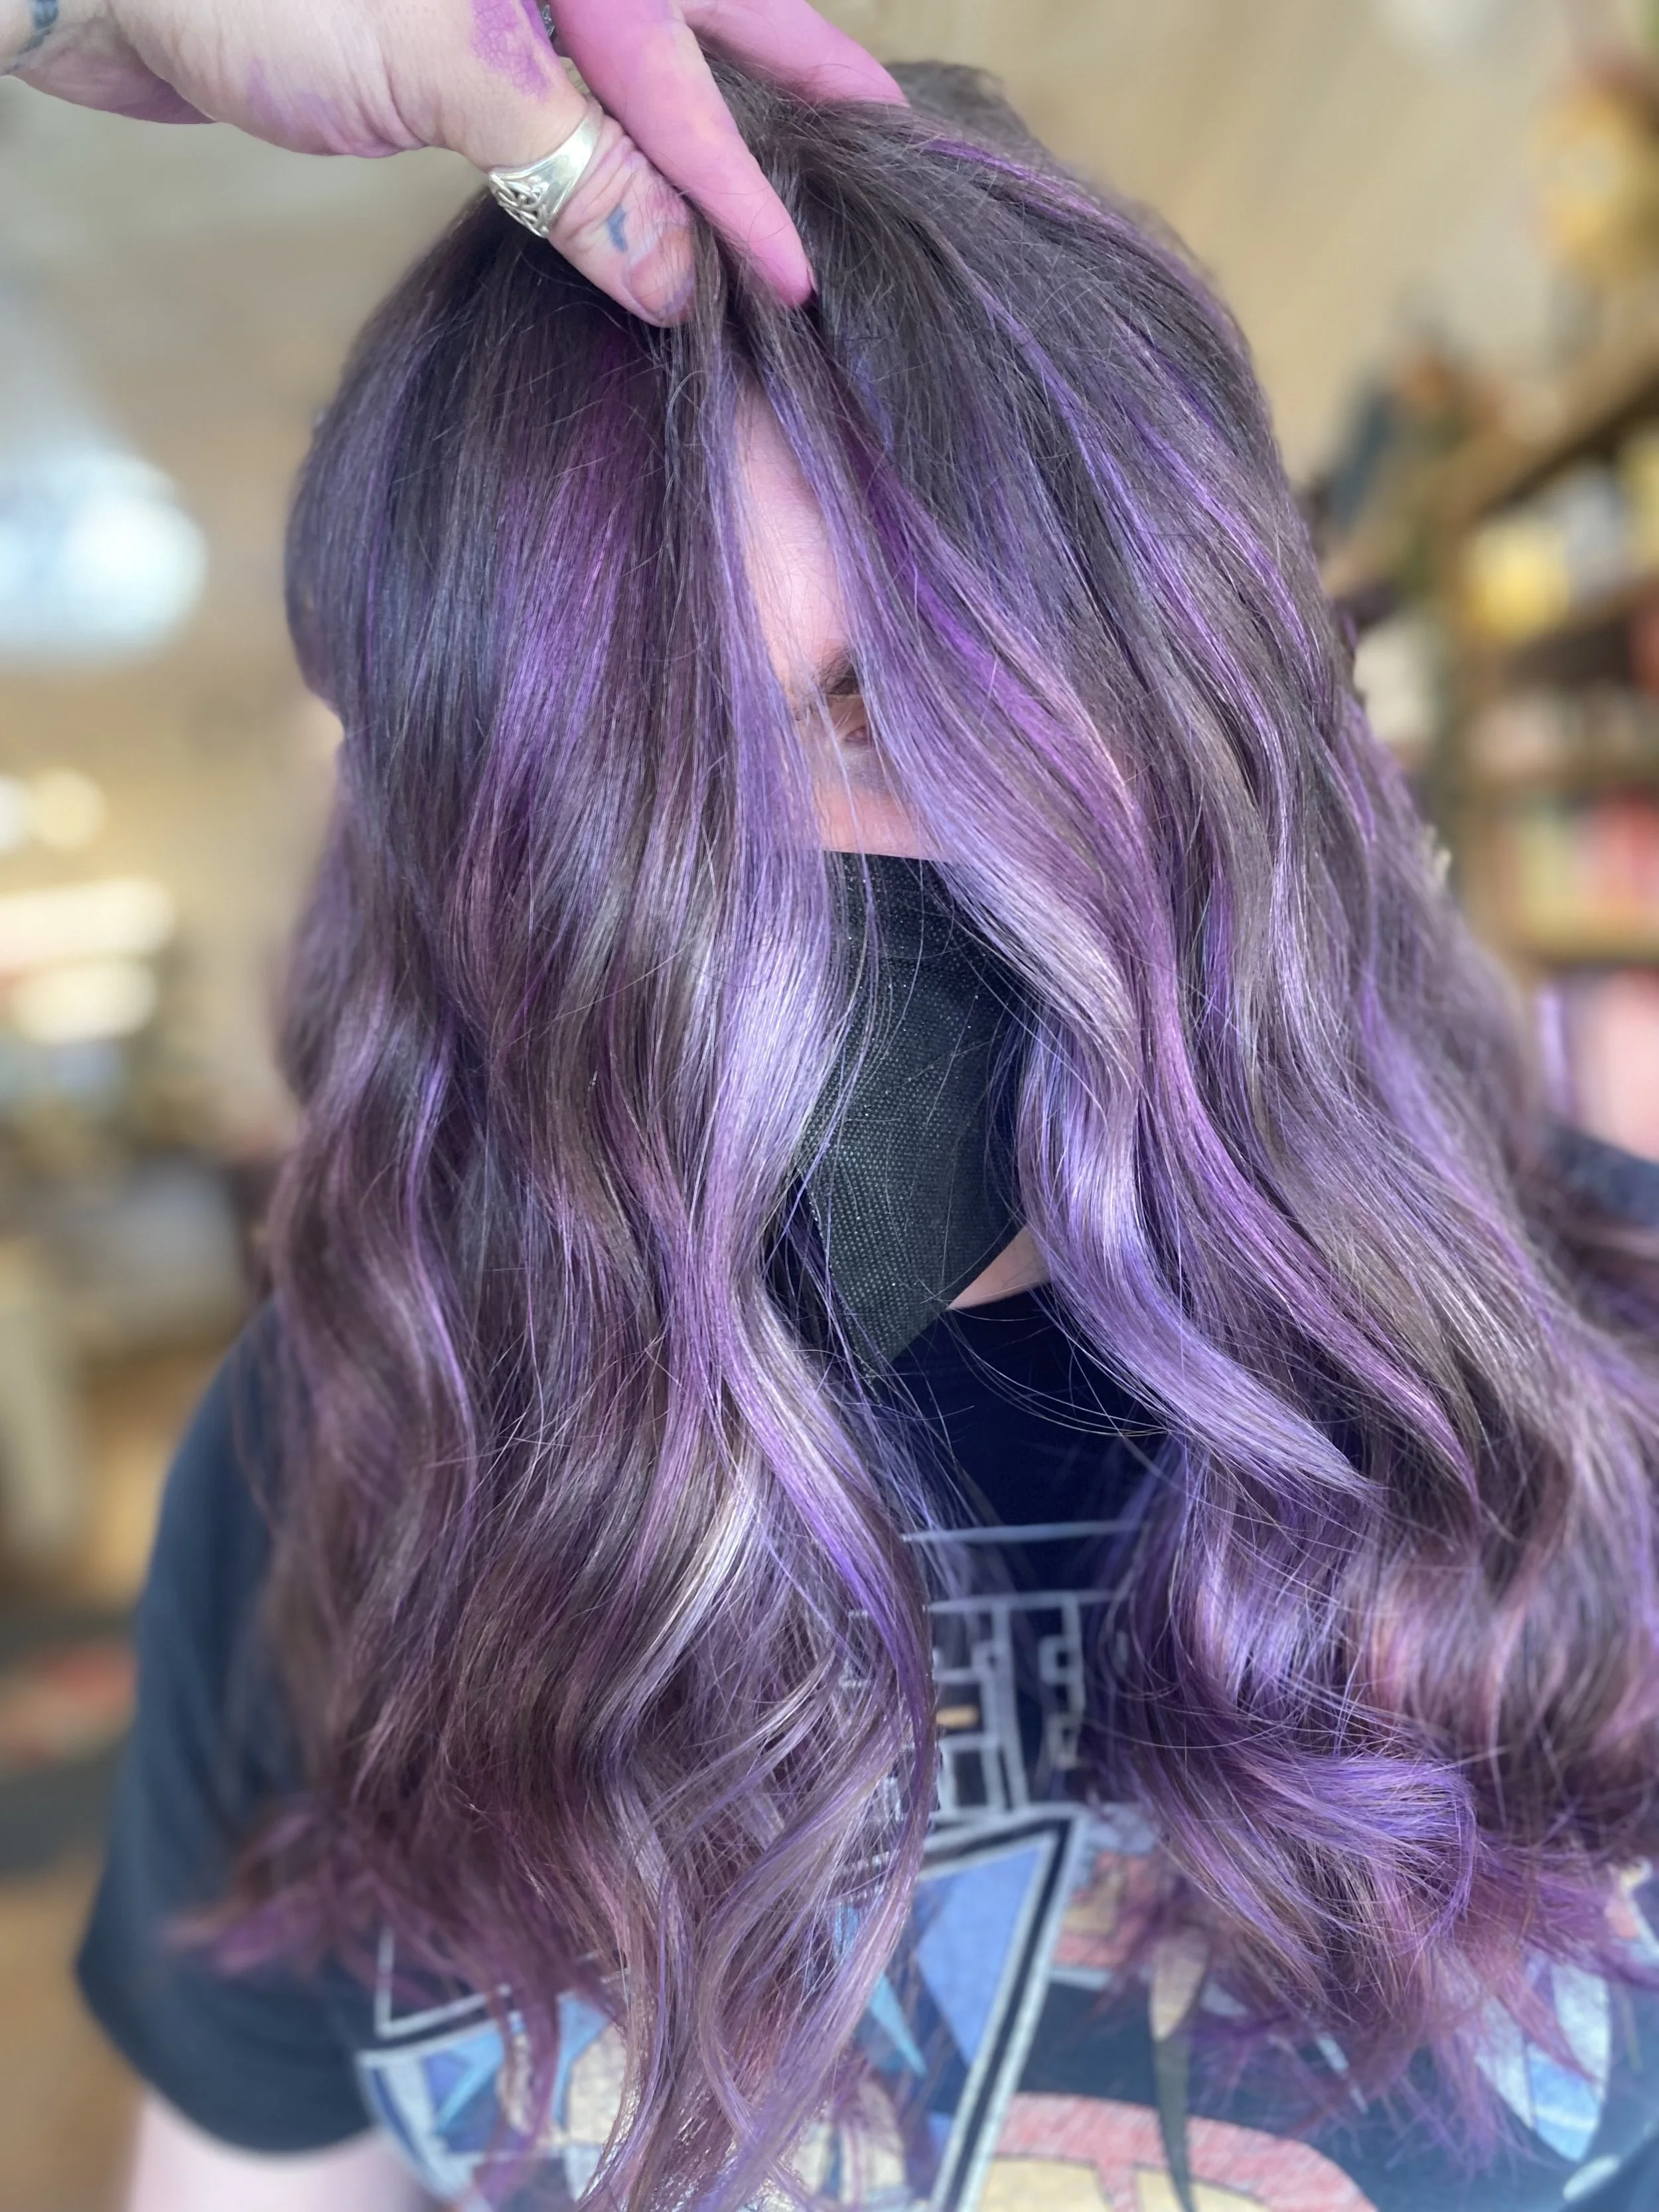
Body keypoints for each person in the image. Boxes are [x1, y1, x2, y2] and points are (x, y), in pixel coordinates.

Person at [19, 15, 1659, 2212]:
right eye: (623, 779)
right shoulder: (353, 1454)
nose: (765, 906)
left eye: (889, 703)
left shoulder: (1607, 1379)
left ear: (1193, 708)